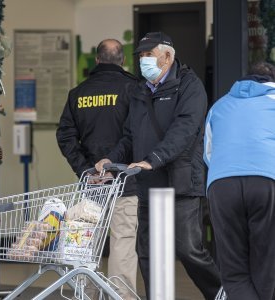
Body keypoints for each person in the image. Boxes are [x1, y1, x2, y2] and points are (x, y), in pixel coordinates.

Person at [96, 31, 221, 300]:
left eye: (148, 55)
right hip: (148, 183)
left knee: (188, 248)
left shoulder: (190, 86)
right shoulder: (140, 89)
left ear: (167, 56)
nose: (143, 60)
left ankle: (220, 292)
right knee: (150, 253)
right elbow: (130, 135)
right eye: (140, 55)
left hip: (181, 182)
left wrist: (153, 159)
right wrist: (110, 159)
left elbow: (184, 130)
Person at [56, 39, 139, 300]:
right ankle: (120, 296)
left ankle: (85, 295)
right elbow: (136, 134)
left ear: (97, 60)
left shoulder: (78, 93)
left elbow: (66, 136)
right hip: (125, 182)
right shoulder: (134, 89)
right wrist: (114, 167)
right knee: (123, 243)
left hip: (91, 186)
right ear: (122, 60)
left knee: (85, 244)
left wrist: (86, 171)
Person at [204, 61, 275, 300]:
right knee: (267, 259)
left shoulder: (219, 105)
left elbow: (208, 155)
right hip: (266, 181)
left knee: (233, 266)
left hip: (222, 185)